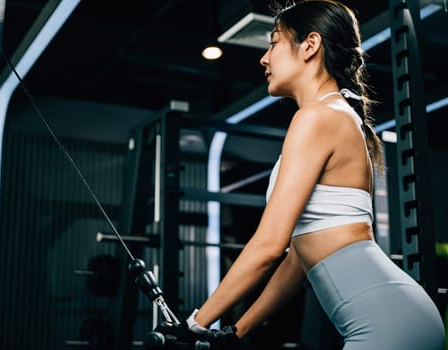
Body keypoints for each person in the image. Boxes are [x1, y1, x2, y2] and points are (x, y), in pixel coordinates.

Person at [154, 1, 446, 349]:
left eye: (274, 42)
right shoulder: (333, 115)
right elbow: (297, 259)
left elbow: (268, 246)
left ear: (310, 45)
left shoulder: (317, 117)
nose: (264, 58)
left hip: (386, 324)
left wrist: (195, 325)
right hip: (400, 315)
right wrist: (236, 331)